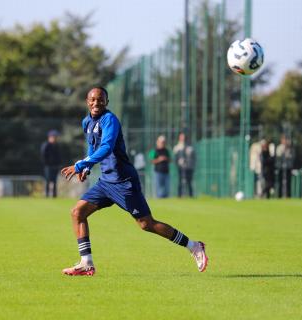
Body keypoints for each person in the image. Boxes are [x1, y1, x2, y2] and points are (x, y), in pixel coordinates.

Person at [60, 87, 208, 276]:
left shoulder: (110, 120)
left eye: (100, 100)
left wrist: (80, 165)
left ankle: (194, 246)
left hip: (123, 181)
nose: (96, 103)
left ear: (106, 102)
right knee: (77, 213)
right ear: (87, 101)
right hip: (106, 182)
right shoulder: (87, 122)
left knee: (146, 224)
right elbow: (93, 146)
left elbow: (106, 147)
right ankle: (86, 263)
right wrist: (88, 167)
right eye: (92, 100)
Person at [173, 132, 195, 197]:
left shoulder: (190, 147)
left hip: (189, 167)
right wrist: (179, 162)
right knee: (180, 181)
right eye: (181, 137)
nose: (183, 138)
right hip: (180, 167)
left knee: (189, 182)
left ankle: (191, 195)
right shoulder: (177, 147)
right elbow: (175, 158)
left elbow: (193, 157)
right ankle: (179, 196)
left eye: (184, 137)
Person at [40, 130, 61, 198]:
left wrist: (58, 163)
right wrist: (46, 163)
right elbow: (43, 155)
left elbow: (58, 156)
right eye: (54, 137)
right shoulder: (46, 145)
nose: (55, 138)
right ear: (50, 137)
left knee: (54, 181)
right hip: (48, 166)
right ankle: (46, 194)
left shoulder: (56, 145)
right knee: (48, 180)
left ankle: (54, 195)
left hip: (55, 166)